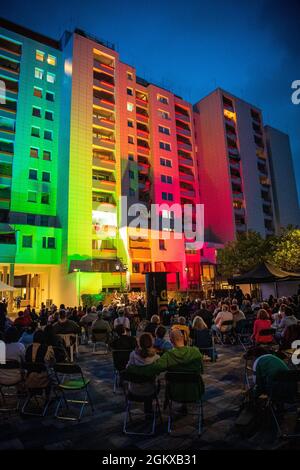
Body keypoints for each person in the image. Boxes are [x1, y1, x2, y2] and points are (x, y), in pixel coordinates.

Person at [126, 333, 160, 414]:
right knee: (155, 383)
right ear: (152, 343)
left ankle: (148, 411)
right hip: (149, 391)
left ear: (139, 343)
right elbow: (158, 373)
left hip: (133, 391)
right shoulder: (156, 358)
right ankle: (149, 412)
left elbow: (127, 368)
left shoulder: (133, 355)